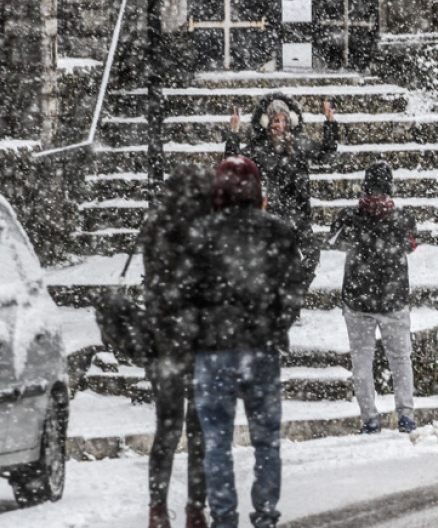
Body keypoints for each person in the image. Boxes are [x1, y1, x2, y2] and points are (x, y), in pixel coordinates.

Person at [174, 156, 305, 528]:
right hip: (261, 347)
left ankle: (224, 517)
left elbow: (184, 294)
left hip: (214, 351)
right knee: (266, 441)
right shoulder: (278, 232)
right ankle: (265, 514)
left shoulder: (201, 234)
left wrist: (197, 333)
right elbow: (292, 288)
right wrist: (276, 324)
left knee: (217, 442)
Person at [138, 164, 214, 528]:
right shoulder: (208, 231)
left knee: (166, 429)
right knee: (200, 432)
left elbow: (153, 284)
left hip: (163, 343)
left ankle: (157, 510)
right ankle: (195, 509)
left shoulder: (156, 227)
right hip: (201, 344)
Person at [328, 161, 418, 434]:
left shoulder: (349, 217)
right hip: (393, 298)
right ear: (389, 186)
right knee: (400, 359)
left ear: (365, 185)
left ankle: (370, 418)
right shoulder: (402, 218)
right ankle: (406, 415)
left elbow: (334, 242)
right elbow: (411, 246)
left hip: (358, 299)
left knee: (361, 360)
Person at [225, 93, 338, 288]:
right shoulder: (258, 148)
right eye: (276, 120)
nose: (280, 125)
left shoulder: (299, 144)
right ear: (267, 122)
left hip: (298, 213)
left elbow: (327, 152)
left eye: (284, 120)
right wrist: (234, 133)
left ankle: (293, 292)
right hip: (272, 213)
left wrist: (330, 123)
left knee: (312, 254)